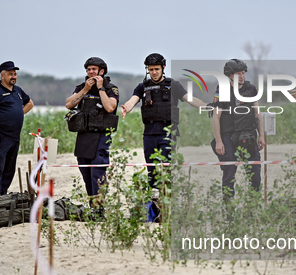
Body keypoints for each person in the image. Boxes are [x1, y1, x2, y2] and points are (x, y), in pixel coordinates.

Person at [121, 53, 205, 188]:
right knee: (152, 172)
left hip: (168, 133)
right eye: (151, 69)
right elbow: (133, 100)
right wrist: (126, 108)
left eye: (157, 69)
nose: (154, 72)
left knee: (167, 171)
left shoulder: (173, 85)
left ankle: (168, 201)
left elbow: (190, 99)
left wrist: (206, 107)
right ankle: (154, 202)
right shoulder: (142, 86)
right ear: (147, 70)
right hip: (149, 135)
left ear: (163, 68)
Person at [65, 57, 119, 212]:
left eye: (94, 69)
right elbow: (69, 104)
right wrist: (85, 90)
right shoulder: (82, 87)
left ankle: (100, 207)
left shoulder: (111, 89)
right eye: (88, 69)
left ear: (102, 71)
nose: (91, 72)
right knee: (86, 172)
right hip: (84, 135)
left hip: (101, 135)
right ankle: (93, 206)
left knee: (97, 171)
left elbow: (110, 107)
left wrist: (101, 88)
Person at [211, 59, 265, 199]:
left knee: (255, 174)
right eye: (237, 74)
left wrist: (261, 136)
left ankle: (254, 209)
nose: (241, 76)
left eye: (243, 73)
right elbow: (216, 117)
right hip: (228, 137)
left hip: (249, 134)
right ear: (229, 75)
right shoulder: (222, 90)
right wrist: (218, 141)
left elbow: (257, 113)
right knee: (229, 174)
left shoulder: (251, 89)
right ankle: (229, 210)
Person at [0, 61, 34, 195]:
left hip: (14, 137)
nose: (14, 77)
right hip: (0, 137)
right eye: (10, 74)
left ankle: (3, 195)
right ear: (2, 76)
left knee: (9, 169)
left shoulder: (18, 91)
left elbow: (30, 103)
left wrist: (18, 113)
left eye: (15, 74)